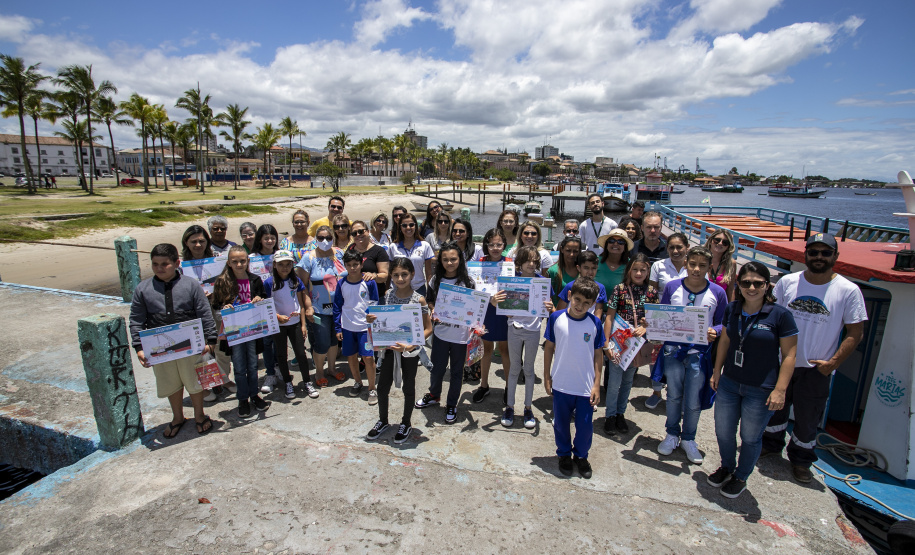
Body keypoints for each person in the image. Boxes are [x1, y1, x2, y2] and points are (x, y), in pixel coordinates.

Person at [761, 232, 866, 483]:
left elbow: (856, 332)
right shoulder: (788, 282)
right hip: (782, 359)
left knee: (808, 418)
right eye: (814, 252)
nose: (819, 257)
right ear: (805, 254)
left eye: (825, 252)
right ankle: (770, 446)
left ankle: (801, 460)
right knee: (774, 410)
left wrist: (834, 363)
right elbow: (772, 315)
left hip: (815, 367)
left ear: (835, 256)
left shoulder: (848, 290)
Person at [708, 262, 798, 499]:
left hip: (761, 388)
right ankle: (727, 466)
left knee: (750, 437)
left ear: (767, 286)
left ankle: (741, 476)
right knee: (723, 430)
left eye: (758, 283)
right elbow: (725, 341)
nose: (751, 287)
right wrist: (717, 371)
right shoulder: (733, 309)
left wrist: (780, 390)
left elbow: (790, 355)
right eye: (746, 282)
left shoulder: (780, 316)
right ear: (738, 283)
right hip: (730, 382)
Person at [129, 243, 218, 437]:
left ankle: (200, 415)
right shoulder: (142, 289)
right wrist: (139, 347)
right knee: (171, 383)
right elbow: (136, 320)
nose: (159, 268)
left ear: (177, 263)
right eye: (155, 264)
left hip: (192, 347)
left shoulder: (191, 285)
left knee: (194, 381)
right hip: (159, 348)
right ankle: (177, 417)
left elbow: (205, 314)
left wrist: (210, 341)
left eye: (165, 264)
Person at [653, 246, 727, 464]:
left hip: (699, 354)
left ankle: (689, 438)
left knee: (693, 400)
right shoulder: (672, 287)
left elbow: (723, 322)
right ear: (685, 264)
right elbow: (662, 314)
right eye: (692, 264)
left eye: (702, 265)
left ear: (709, 267)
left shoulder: (718, 292)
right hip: (673, 352)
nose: (696, 269)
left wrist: (717, 331)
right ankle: (671, 433)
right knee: (674, 395)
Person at [364, 258, 434, 443]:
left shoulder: (418, 299)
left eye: (404, 274)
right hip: (389, 349)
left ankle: (406, 423)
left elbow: (428, 328)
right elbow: (384, 321)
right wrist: (372, 321)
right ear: (391, 277)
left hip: (409, 351)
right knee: (382, 386)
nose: (400, 278)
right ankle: (383, 420)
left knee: (408, 386)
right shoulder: (387, 295)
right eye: (395, 275)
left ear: (412, 274)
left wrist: (411, 345)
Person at [543, 277, 605, 479]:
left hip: (585, 387)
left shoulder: (595, 323)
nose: (580, 306)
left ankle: (581, 456)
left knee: (585, 427)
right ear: (570, 296)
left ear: (593, 304)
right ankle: (563, 455)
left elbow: (598, 354)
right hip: (561, 383)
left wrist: (597, 384)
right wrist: (546, 375)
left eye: (587, 303)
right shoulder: (556, 318)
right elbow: (549, 348)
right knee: (561, 424)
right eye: (577, 300)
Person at [415, 242, 478, 424]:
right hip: (441, 334)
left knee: (457, 372)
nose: (449, 263)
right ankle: (434, 394)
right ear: (440, 261)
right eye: (445, 259)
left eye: (453, 259)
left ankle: (452, 404)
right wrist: (433, 310)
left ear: (460, 260)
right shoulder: (435, 280)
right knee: (437, 369)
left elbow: (473, 308)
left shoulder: (469, 282)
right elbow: (430, 301)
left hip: (460, 336)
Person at [210, 246, 271, 418]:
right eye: (235, 261)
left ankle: (254, 395)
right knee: (238, 367)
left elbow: (265, 302)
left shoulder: (255, 280)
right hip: (234, 333)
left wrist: (260, 300)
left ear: (248, 261)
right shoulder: (222, 281)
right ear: (229, 263)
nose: (239, 264)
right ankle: (242, 398)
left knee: (252, 365)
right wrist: (224, 309)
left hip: (252, 330)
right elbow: (215, 308)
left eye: (242, 261)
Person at [602, 254, 658, 435]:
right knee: (614, 382)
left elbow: (654, 320)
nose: (639, 273)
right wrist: (606, 343)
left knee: (628, 381)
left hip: (637, 345)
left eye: (643, 269)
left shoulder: (651, 292)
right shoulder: (620, 289)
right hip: (618, 342)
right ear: (629, 270)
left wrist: (645, 328)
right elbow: (609, 316)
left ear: (648, 271)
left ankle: (620, 413)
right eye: (635, 269)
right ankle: (609, 415)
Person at [500, 246, 553, 429]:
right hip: (514, 328)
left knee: (529, 370)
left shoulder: (543, 282)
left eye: (535, 261)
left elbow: (550, 308)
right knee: (514, 369)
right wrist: (503, 307)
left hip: (533, 330)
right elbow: (502, 305)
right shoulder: (510, 281)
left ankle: (528, 407)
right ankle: (509, 406)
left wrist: (549, 308)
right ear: (519, 263)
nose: (531, 264)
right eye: (527, 261)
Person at [295, 226, 346, 387]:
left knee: (333, 341)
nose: (325, 241)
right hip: (318, 308)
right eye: (321, 238)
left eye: (328, 238)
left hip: (338, 307)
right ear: (316, 239)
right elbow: (302, 286)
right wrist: (308, 307)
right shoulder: (308, 258)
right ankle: (319, 371)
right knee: (321, 342)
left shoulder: (339, 254)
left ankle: (331, 368)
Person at [265, 250, 318, 400]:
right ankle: (288, 382)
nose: (285, 267)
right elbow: (266, 306)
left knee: (301, 353)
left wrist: (303, 325)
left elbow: (300, 303)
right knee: (281, 355)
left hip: (295, 324)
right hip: (278, 325)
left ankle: (307, 381)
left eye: (288, 264)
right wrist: (276, 316)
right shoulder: (269, 283)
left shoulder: (296, 281)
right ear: (275, 265)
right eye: (281, 264)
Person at [645, 232, 690, 409]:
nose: (675, 251)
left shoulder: (692, 266)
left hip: (685, 319)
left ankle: (676, 393)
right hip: (662, 316)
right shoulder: (658, 266)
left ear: (687, 248)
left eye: (679, 247)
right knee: (656, 356)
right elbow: (652, 292)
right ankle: (656, 391)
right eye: (671, 247)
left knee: (680, 357)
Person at [333, 250, 380, 403]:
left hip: (365, 328)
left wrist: (372, 321)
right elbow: (337, 306)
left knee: (367, 357)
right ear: (345, 266)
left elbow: (375, 303)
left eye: (355, 264)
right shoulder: (341, 283)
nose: (352, 268)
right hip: (347, 327)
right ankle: (358, 382)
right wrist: (338, 328)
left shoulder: (369, 282)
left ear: (361, 264)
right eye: (349, 265)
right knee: (351, 356)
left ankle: (372, 388)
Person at [472, 228, 511, 404]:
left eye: (499, 244)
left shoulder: (510, 263)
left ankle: (509, 387)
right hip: (485, 310)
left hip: (503, 312)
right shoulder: (478, 263)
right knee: (486, 349)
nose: (495, 248)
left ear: (504, 245)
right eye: (491, 244)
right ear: (486, 245)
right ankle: (484, 385)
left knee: (504, 350)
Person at [252, 224, 280, 394]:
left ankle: (278, 369)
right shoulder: (252, 258)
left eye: (272, 238)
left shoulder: (280, 255)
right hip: (260, 306)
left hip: (280, 304)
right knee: (267, 342)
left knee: (279, 342)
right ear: (260, 239)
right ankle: (269, 373)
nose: (269, 241)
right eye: (266, 238)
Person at [388, 213, 435, 295]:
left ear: (415, 226)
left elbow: (428, 272)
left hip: (419, 288)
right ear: (400, 227)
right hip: (398, 289)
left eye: (411, 225)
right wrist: (387, 289)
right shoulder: (393, 247)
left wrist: (430, 292)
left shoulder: (425, 245)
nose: (408, 228)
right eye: (404, 225)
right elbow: (389, 271)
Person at [556, 251, 607, 318]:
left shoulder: (600, 288)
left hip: (588, 326)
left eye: (593, 268)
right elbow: (560, 311)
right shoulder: (570, 286)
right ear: (578, 268)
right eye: (586, 268)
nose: (590, 272)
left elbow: (598, 313)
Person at [346, 220, 390, 297]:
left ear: (368, 231)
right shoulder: (350, 249)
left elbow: (385, 276)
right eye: (354, 233)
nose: (358, 235)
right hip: (355, 294)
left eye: (361, 231)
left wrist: (374, 276)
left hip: (375, 295)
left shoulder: (379, 251)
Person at [547, 236, 582, 306]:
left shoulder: (582, 270)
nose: (572, 254)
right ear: (562, 249)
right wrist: (555, 313)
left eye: (575, 251)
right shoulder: (553, 271)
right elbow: (547, 297)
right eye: (568, 250)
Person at [595, 229, 632, 296]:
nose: (615, 244)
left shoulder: (631, 265)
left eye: (620, 242)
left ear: (625, 247)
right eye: (611, 241)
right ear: (606, 245)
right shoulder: (595, 261)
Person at [706, 229, 737, 301]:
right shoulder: (700, 258)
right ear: (710, 241)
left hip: (720, 304)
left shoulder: (731, 264)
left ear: (728, 246)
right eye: (717, 240)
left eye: (725, 242)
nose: (720, 243)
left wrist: (730, 309)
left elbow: (730, 290)